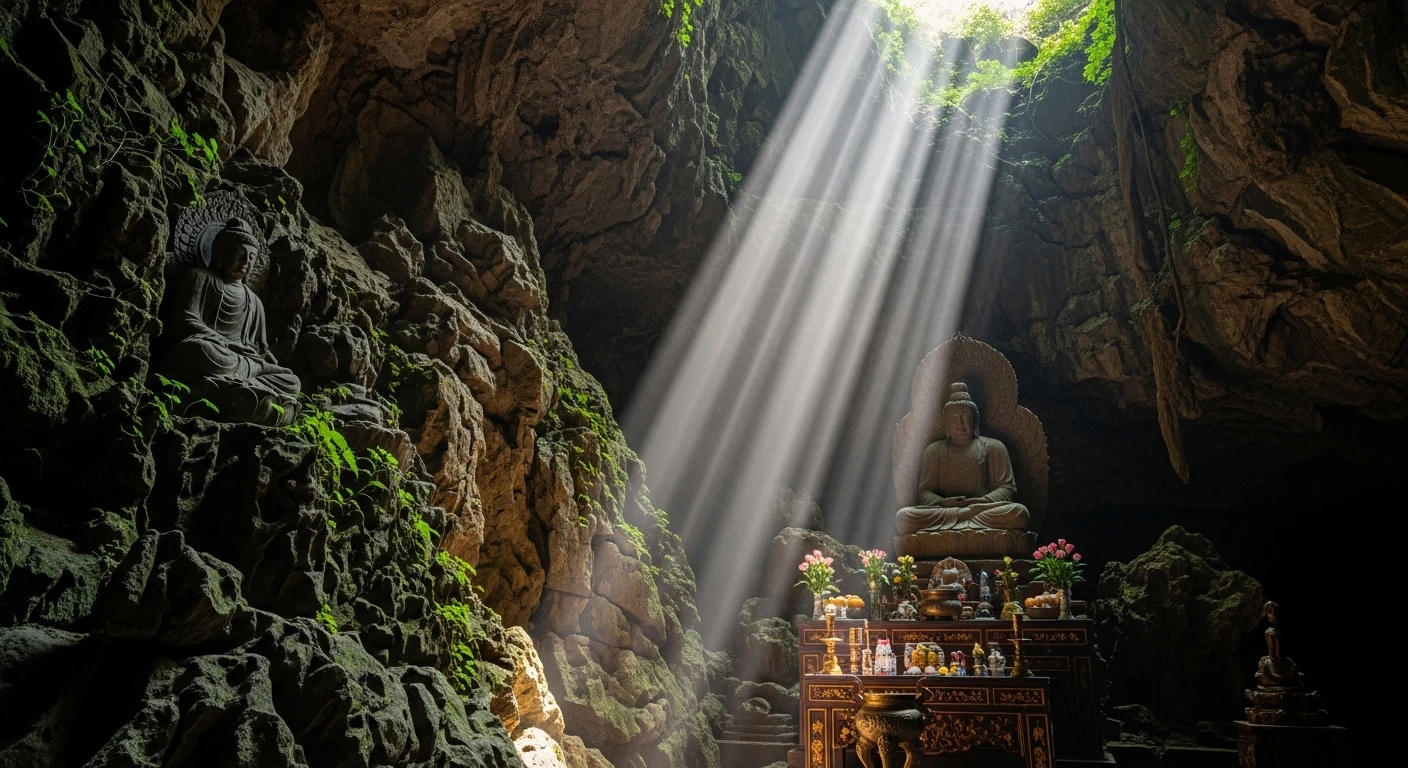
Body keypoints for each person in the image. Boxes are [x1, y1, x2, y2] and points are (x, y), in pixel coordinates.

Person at [161, 218, 300, 426]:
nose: (246, 262)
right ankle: (245, 389)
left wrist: (265, 358)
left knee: (292, 381)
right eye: (239, 254)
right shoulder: (199, 278)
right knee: (200, 350)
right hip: (214, 351)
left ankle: (245, 387)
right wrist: (220, 340)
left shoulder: (254, 301)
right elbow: (184, 318)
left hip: (245, 362)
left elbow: (258, 348)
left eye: (251, 257)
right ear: (221, 253)